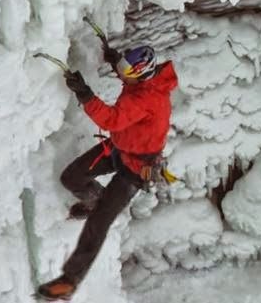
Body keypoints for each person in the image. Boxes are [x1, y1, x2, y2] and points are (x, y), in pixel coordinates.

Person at [36, 44, 178, 300]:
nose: (122, 73)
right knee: (72, 177)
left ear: (141, 74)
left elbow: (111, 120)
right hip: (119, 148)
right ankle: (95, 201)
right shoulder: (147, 81)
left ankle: (69, 282)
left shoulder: (146, 98)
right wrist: (117, 61)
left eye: (126, 70)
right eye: (123, 68)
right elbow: (130, 85)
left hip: (135, 168)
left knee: (98, 224)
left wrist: (85, 94)